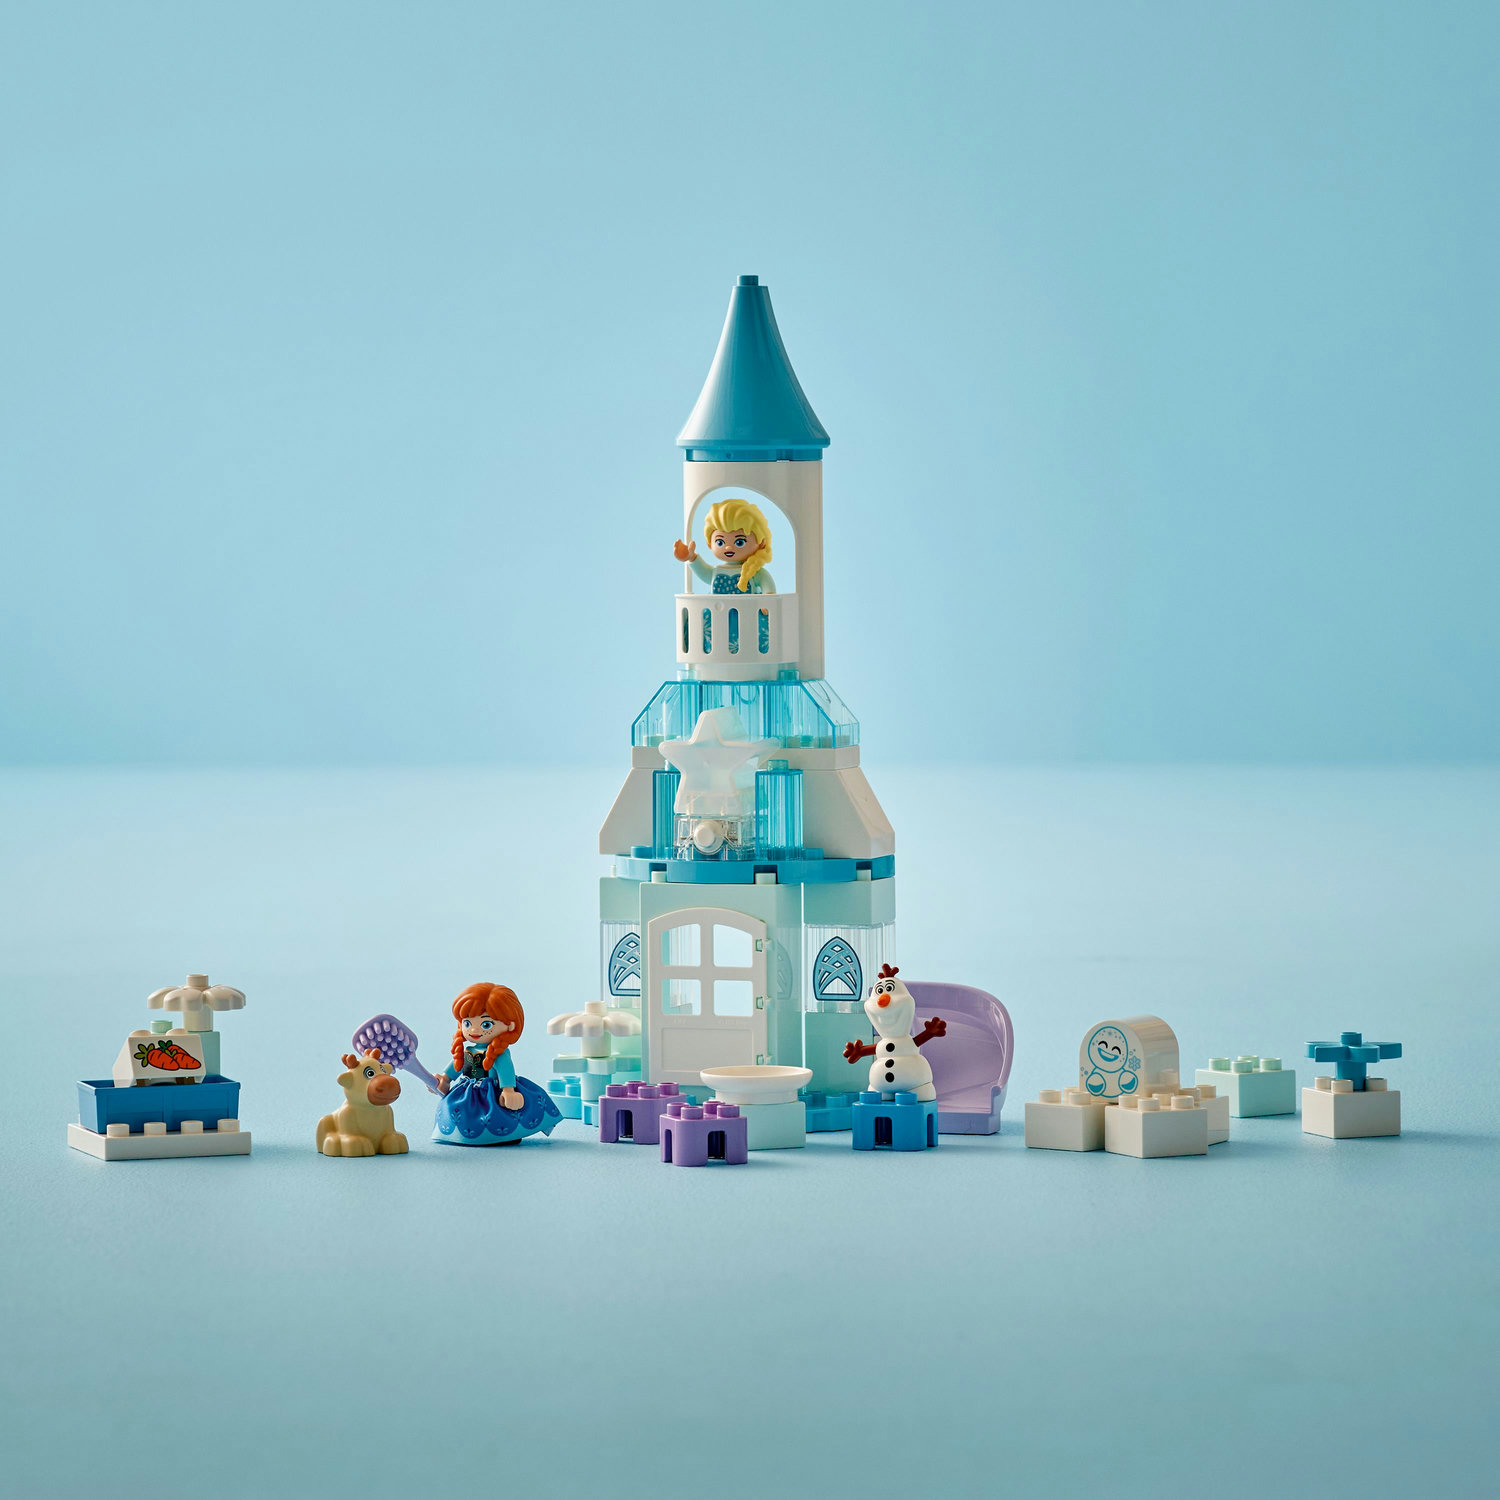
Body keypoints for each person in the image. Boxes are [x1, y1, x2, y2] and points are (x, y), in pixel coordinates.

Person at [432, 982, 560, 1146]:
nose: (474, 1030)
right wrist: (444, 1079)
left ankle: (502, 1135)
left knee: (499, 1114)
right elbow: (455, 1068)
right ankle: (461, 1134)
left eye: (486, 1024)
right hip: (467, 1093)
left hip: (492, 1094)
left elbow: (506, 1071)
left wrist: (508, 1090)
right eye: (467, 1023)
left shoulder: (499, 1054)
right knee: (454, 1109)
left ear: (510, 1025)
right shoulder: (468, 1052)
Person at [673, 497, 776, 594]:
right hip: (718, 607)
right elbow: (704, 572)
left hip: (748, 607)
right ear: (710, 544)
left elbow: (768, 587)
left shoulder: (754, 572)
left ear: (761, 543)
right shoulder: (716, 571)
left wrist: (769, 599)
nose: (728, 547)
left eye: (739, 542)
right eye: (720, 542)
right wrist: (692, 557)